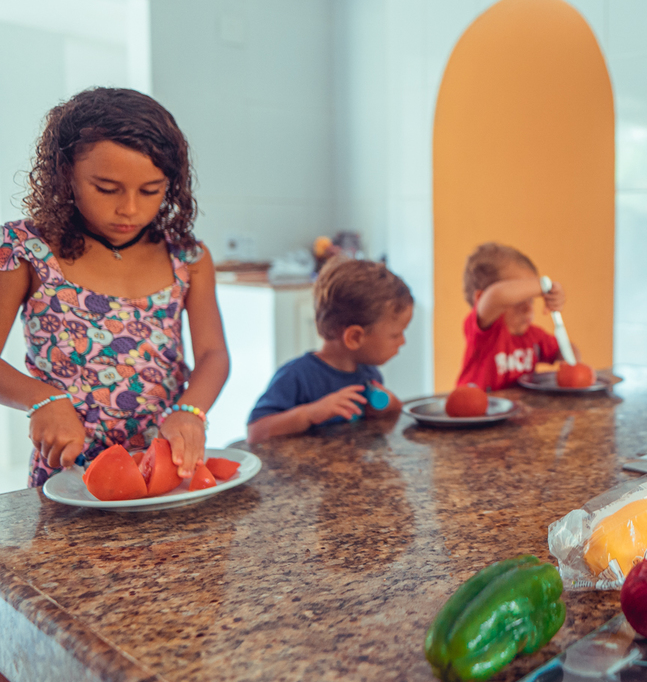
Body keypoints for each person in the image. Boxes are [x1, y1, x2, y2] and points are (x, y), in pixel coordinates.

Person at [0, 88, 229, 486]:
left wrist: (191, 412)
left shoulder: (188, 258)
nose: (130, 209)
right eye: (106, 189)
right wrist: (42, 399)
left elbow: (213, 354)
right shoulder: (23, 249)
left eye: (151, 190)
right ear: (64, 171)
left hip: (163, 469)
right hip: (70, 478)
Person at [247, 258, 411, 441]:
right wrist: (309, 414)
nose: (402, 341)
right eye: (396, 335)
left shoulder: (368, 374)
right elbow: (256, 432)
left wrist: (390, 405)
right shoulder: (296, 376)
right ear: (354, 337)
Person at [457, 243, 568, 391]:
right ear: (481, 299)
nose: (528, 308)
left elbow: (564, 348)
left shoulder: (533, 336)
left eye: (531, 299)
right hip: (473, 412)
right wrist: (545, 286)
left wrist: (570, 362)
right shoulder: (483, 333)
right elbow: (496, 295)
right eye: (518, 300)